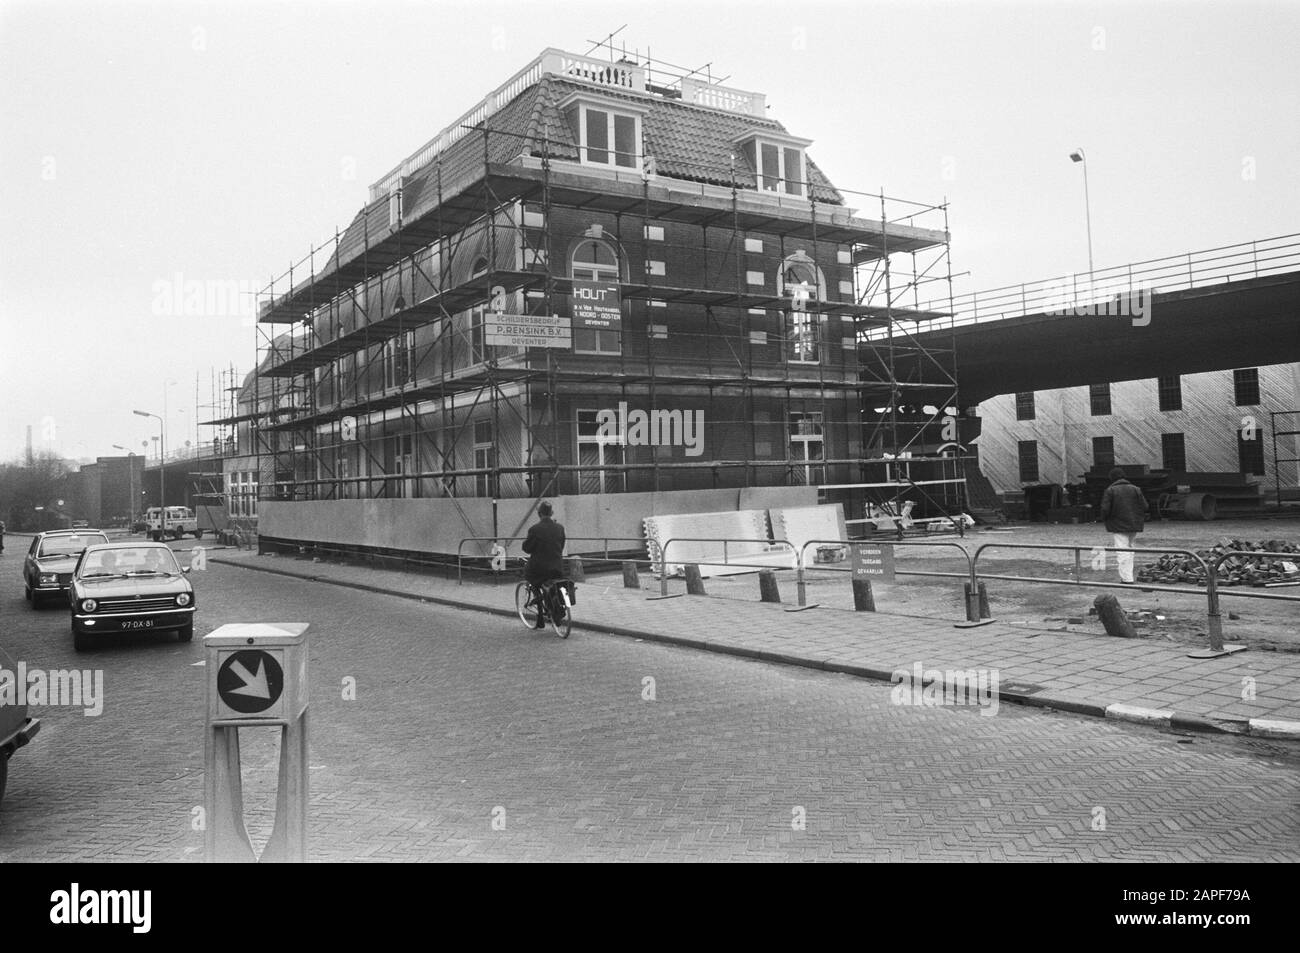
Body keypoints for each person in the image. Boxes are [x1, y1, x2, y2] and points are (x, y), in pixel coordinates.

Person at [521, 501, 566, 629]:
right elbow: (561, 546)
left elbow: (528, 548)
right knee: (551, 584)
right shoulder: (560, 528)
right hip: (557, 567)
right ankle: (555, 608)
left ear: (539, 514)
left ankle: (540, 616)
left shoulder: (534, 529)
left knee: (531, 578)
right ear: (551, 513)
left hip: (539, 569)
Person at [1099, 467, 1146, 584]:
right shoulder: (1136, 489)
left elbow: (1105, 509)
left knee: (1122, 551)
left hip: (1118, 525)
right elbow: (1145, 506)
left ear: (1112, 478)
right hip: (1134, 524)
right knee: (1130, 550)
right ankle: (1128, 576)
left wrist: (1104, 519)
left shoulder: (1110, 490)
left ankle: (1127, 579)